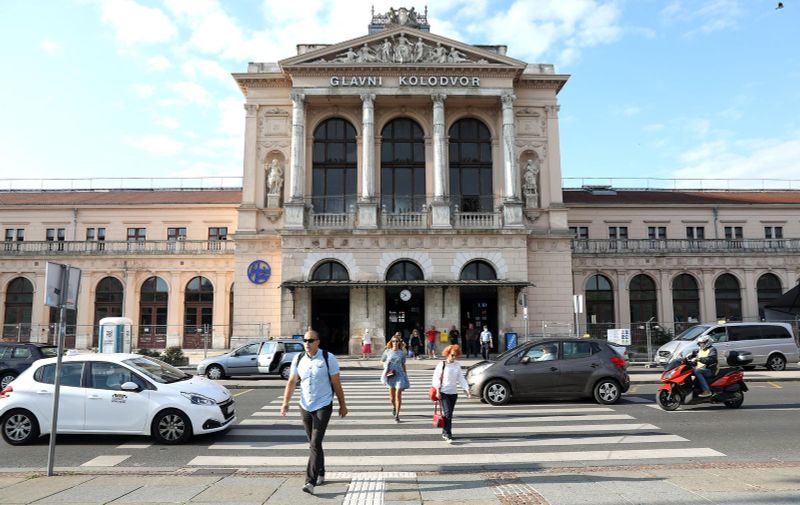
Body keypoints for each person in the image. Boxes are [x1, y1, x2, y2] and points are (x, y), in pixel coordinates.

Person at [280, 330, 348, 495]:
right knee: (313, 443)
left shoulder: (328, 357)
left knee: (315, 443)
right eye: (305, 340)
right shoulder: (298, 358)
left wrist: (342, 404)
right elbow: (292, 381)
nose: (307, 343)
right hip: (305, 405)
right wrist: (285, 403)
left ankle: (310, 481)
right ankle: (321, 472)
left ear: (318, 342)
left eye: (311, 340)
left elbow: (336, 383)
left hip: (323, 404)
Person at [431, 344, 471, 442]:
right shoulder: (442, 364)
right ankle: (448, 434)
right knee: (448, 413)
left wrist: (467, 389)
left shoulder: (457, 365)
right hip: (443, 392)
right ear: (447, 354)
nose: (454, 357)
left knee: (449, 414)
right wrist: (437, 390)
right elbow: (436, 378)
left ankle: (445, 431)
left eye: (456, 355)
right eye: (452, 355)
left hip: (453, 393)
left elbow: (460, 378)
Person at [381, 333, 410, 422]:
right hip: (391, 374)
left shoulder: (402, 353)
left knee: (398, 394)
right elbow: (382, 361)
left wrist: (405, 375)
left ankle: (397, 415)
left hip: (400, 374)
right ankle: (394, 407)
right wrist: (386, 366)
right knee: (392, 398)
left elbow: (403, 364)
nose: (394, 342)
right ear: (391, 342)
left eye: (396, 341)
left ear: (399, 342)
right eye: (393, 341)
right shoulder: (387, 351)